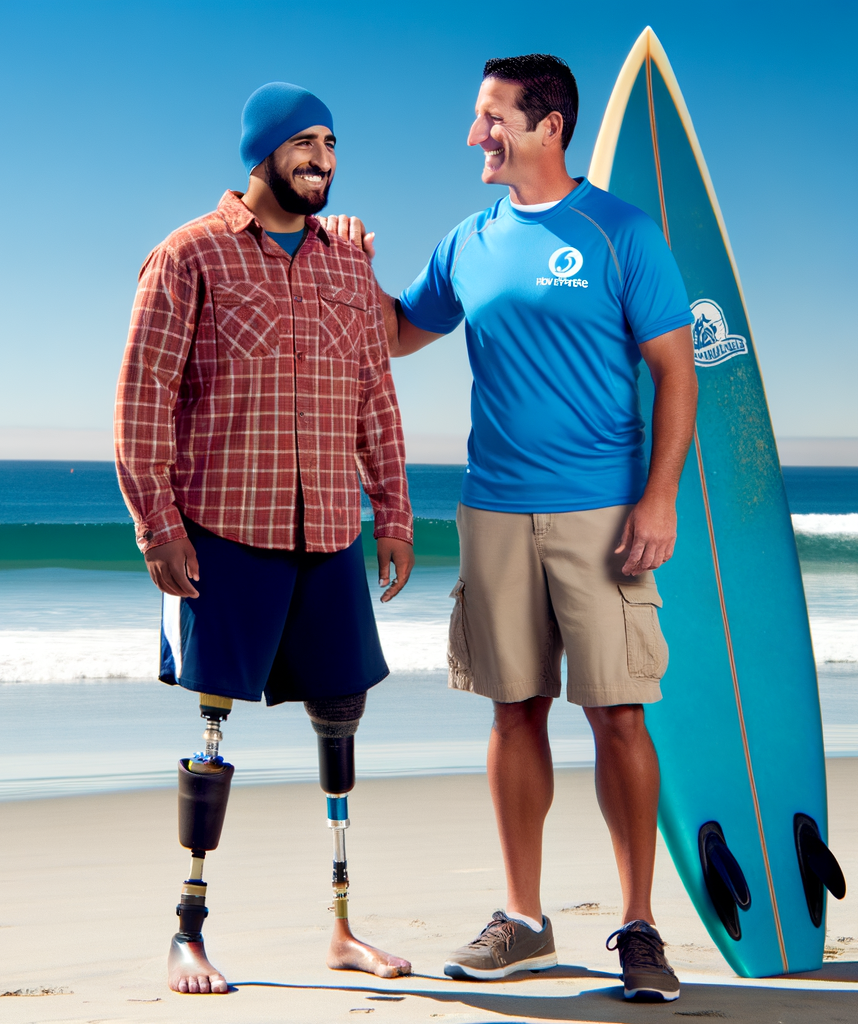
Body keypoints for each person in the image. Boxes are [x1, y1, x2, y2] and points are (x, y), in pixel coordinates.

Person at [325, 53, 697, 1002]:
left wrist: (659, 500)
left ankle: (639, 925)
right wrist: (346, 262)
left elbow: (675, 372)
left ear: (549, 127)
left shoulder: (620, 232)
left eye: (491, 118)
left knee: (618, 714)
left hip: (603, 511)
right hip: (493, 508)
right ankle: (525, 920)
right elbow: (398, 333)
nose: (474, 136)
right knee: (512, 708)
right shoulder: (471, 239)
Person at [114, 82, 415, 995]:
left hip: (327, 529)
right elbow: (142, 401)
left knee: (342, 717)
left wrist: (394, 512)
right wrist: (156, 525)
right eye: (306, 143)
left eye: (332, 143)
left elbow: (375, 396)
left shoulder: (347, 266)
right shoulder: (188, 255)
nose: (323, 158)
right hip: (222, 528)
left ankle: (342, 926)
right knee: (212, 726)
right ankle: (188, 930)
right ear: (263, 151)